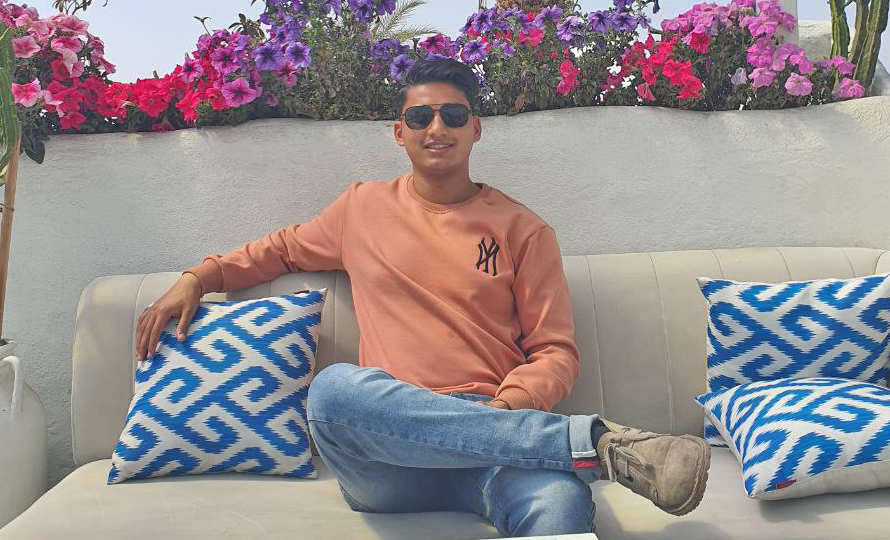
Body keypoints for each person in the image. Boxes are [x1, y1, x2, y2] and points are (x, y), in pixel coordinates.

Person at [133, 58, 711, 537]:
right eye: (421, 116)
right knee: (333, 393)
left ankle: (555, 445)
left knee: (561, 504)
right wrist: (199, 277)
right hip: (389, 459)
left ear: (475, 129)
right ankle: (595, 443)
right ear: (399, 131)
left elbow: (555, 352)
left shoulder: (524, 231)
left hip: (497, 435)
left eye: (453, 115)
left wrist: (504, 413)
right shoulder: (361, 209)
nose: (438, 127)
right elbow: (279, 251)